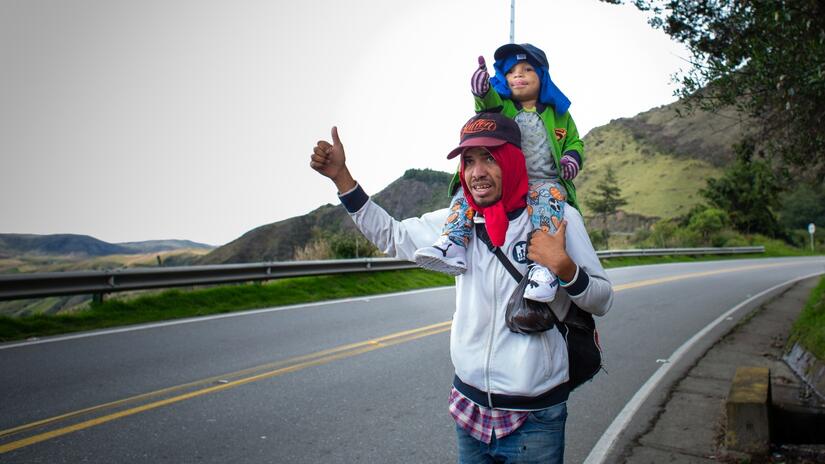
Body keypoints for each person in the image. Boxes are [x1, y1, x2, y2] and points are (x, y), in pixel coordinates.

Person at [309, 112, 612, 463]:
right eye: (469, 160)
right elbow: (394, 235)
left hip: (535, 419)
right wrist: (341, 178)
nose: (477, 172)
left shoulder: (558, 217)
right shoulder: (458, 222)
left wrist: (563, 266)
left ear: (514, 160)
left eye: (490, 158)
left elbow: (602, 300)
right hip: (469, 412)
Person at [414, 43, 585, 306]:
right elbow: (486, 104)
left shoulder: (559, 113)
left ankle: (544, 269)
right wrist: (481, 89)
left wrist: (571, 157)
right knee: (464, 194)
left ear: (543, 76)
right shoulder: (502, 105)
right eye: (511, 71)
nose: (519, 75)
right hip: (507, 180)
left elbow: (574, 141)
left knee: (548, 203)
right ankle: (453, 242)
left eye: (528, 69)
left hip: (544, 181)